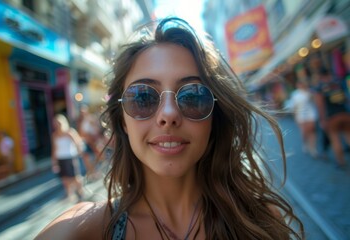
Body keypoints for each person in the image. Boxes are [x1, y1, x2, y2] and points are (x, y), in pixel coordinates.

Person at [35, 17, 304, 239]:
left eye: (192, 96)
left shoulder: (261, 221)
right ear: (123, 122)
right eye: (143, 97)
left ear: (215, 116)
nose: (168, 115)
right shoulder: (80, 231)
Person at [314, 68, 350, 168]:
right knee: (348, 136)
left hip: (331, 117)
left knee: (335, 139)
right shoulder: (338, 82)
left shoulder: (320, 88)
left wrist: (322, 119)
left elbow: (320, 105)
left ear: (320, 76)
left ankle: (341, 162)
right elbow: (347, 98)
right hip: (344, 113)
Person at [51, 114, 84, 201]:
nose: (57, 125)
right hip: (60, 158)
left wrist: (79, 152)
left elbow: (78, 142)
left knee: (75, 177)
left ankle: (80, 192)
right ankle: (69, 194)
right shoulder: (55, 135)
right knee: (64, 178)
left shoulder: (70, 132)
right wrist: (54, 162)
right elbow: (54, 149)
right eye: (55, 123)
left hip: (70, 157)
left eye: (59, 123)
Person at [287, 80, 319, 158]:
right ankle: (305, 144)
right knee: (304, 132)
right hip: (301, 115)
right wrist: (295, 116)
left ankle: (313, 148)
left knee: (312, 131)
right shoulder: (295, 94)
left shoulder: (310, 92)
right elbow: (293, 107)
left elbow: (315, 101)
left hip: (311, 114)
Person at [77, 104, 101, 178]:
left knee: (97, 156)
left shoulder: (91, 118)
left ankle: (95, 170)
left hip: (93, 141)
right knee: (86, 158)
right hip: (86, 141)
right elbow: (80, 132)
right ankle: (91, 171)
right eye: (81, 112)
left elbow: (96, 129)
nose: (83, 113)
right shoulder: (79, 121)